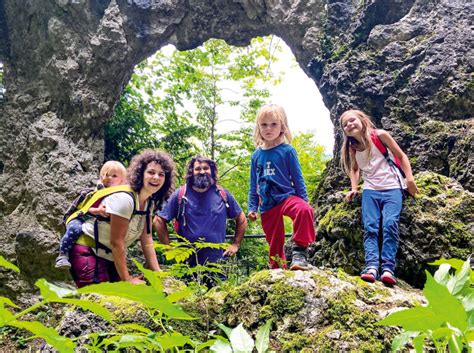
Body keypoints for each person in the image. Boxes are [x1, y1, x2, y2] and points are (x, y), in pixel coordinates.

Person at [69, 150, 176, 287]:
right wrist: (127, 279)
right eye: (151, 172)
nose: (156, 177)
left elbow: (147, 238)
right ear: (141, 173)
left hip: (108, 255)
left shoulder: (149, 202)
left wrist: (157, 273)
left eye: (161, 174)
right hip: (87, 250)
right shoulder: (125, 199)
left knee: (122, 295)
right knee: (101, 297)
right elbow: (116, 242)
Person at [340, 109, 418, 285]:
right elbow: (354, 169)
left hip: (392, 187)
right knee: (370, 228)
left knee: (390, 224)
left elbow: (401, 156)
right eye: (345, 124)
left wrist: (410, 179)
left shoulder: (380, 135)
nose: (349, 125)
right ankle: (371, 267)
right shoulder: (352, 147)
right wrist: (354, 188)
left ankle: (388, 268)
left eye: (352, 120)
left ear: (362, 119)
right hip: (370, 191)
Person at [248, 104, 316, 270]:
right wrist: (252, 207)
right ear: (258, 127)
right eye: (264, 125)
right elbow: (253, 184)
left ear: (282, 127)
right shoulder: (256, 155)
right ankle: (277, 269)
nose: (268, 129)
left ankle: (300, 252)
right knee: (274, 242)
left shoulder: (287, 151)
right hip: (267, 204)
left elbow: (297, 178)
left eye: (273, 124)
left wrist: (304, 201)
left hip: (286, 197)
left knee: (304, 210)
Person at [153, 155, 247, 270]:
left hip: (217, 264)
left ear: (211, 171)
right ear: (192, 172)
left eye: (206, 168)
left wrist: (235, 244)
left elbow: (241, 218)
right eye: (197, 169)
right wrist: (168, 249)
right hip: (187, 265)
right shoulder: (181, 194)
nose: (202, 171)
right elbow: (158, 220)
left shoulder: (222, 194)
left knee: (218, 289)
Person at [55, 161, 128, 269]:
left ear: (122, 180)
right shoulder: (93, 193)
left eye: (114, 176)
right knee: (75, 229)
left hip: (97, 227)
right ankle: (63, 254)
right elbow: (83, 208)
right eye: (106, 174)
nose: (109, 178)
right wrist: (97, 211)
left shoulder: (121, 197)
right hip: (81, 218)